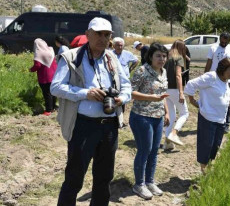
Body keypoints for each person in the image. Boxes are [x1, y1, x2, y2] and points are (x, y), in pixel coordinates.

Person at [50, 17, 131, 205]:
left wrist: (122, 98)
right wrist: (85, 93)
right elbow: (55, 87)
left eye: (107, 35)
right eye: (98, 34)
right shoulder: (71, 57)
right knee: (74, 178)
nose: (103, 38)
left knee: (104, 179)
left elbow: (126, 86)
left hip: (109, 127)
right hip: (83, 126)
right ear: (87, 34)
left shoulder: (112, 58)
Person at [129, 42, 170, 200]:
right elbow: (130, 92)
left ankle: (149, 181)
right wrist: (151, 98)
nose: (162, 59)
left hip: (157, 116)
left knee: (154, 151)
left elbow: (162, 93)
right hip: (141, 116)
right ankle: (139, 184)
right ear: (150, 56)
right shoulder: (142, 71)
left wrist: (166, 112)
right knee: (144, 150)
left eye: (164, 56)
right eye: (158, 56)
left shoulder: (163, 72)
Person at [185, 58, 230, 174]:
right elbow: (191, 84)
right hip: (208, 117)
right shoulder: (211, 77)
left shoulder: (226, 81)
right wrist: (193, 101)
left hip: (220, 119)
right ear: (223, 69)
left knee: (215, 146)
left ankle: (208, 167)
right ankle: (204, 171)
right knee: (206, 145)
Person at [204, 32, 230, 133]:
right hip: (214, 79)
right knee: (213, 101)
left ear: (229, 41)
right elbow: (209, 63)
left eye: (226, 41)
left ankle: (226, 124)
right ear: (220, 39)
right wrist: (205, 77)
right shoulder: (213, 48)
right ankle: (213, 122)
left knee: (225, 102)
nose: (223, 42)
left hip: (227, 80)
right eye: (222, 40)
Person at [163, 40, 190, 150]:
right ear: (182, 48)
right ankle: (174, 133)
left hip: (164, 89)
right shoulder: (178, 57)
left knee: (172, 116)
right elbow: (178, 76)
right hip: (174, 89)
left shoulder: (166, 57)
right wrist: (181, 93)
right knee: (184, 113)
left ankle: (167, 143)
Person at [30, 38, 58, 116]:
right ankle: (54, 107)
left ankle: (48, 110)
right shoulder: (50, 50)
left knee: (47, 93)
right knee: (53, 92)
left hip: (45, 76)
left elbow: (37, 65)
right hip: (54, 74)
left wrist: (31, 69)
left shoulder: (39, 53)